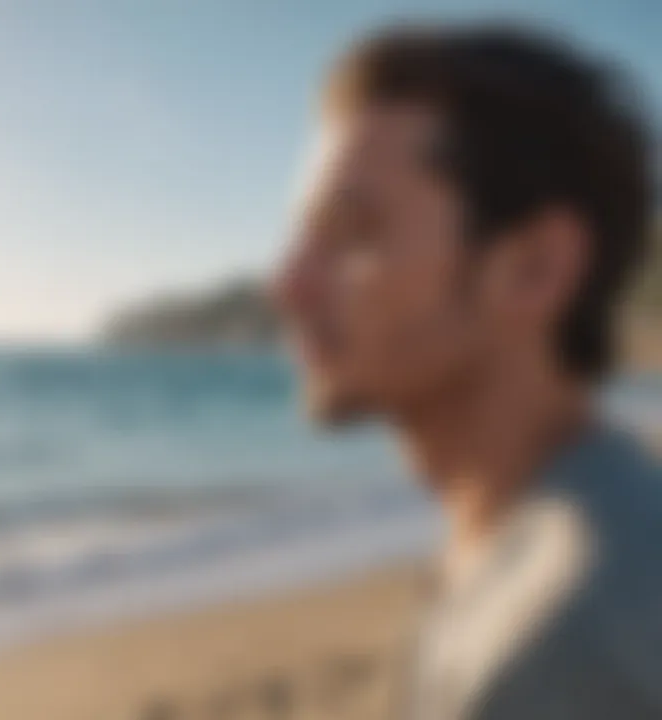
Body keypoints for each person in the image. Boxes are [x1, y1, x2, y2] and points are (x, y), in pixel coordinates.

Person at [271, 23, 662, 720]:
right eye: (303, 234)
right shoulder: (523, 534)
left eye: (355, 233)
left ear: (534, 269)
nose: (287, 284)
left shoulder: (568, 642)